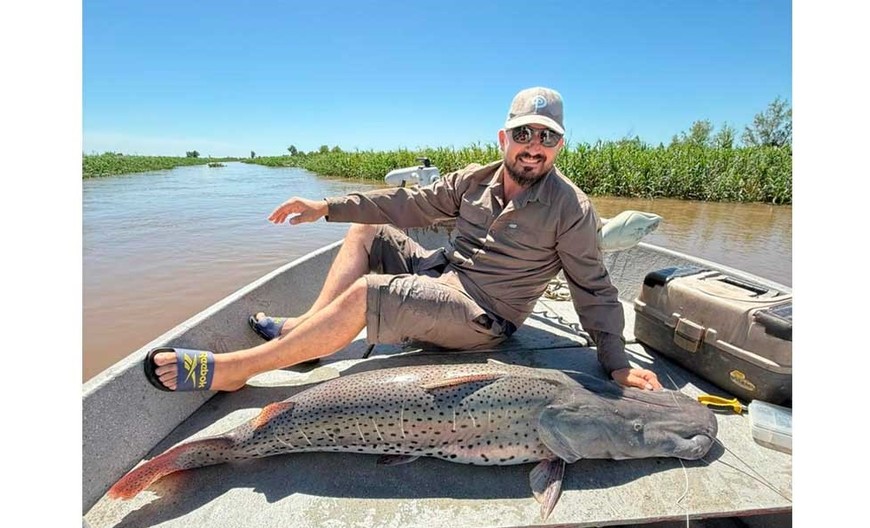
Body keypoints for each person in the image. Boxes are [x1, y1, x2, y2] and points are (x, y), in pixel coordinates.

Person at [145, 87, 662, 393]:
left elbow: (592, 288)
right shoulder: (472, 180)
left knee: (374, 292)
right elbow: (404, 204)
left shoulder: (570, 208)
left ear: (559, 146)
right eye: (524, 133)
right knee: (369, 227)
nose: (534, 147)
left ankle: (238, 371)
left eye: (547, 137)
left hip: (485, 319)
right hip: (445, 277)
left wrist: (616, 362)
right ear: (504, 138)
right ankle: (304, 335)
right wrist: (327, 206)